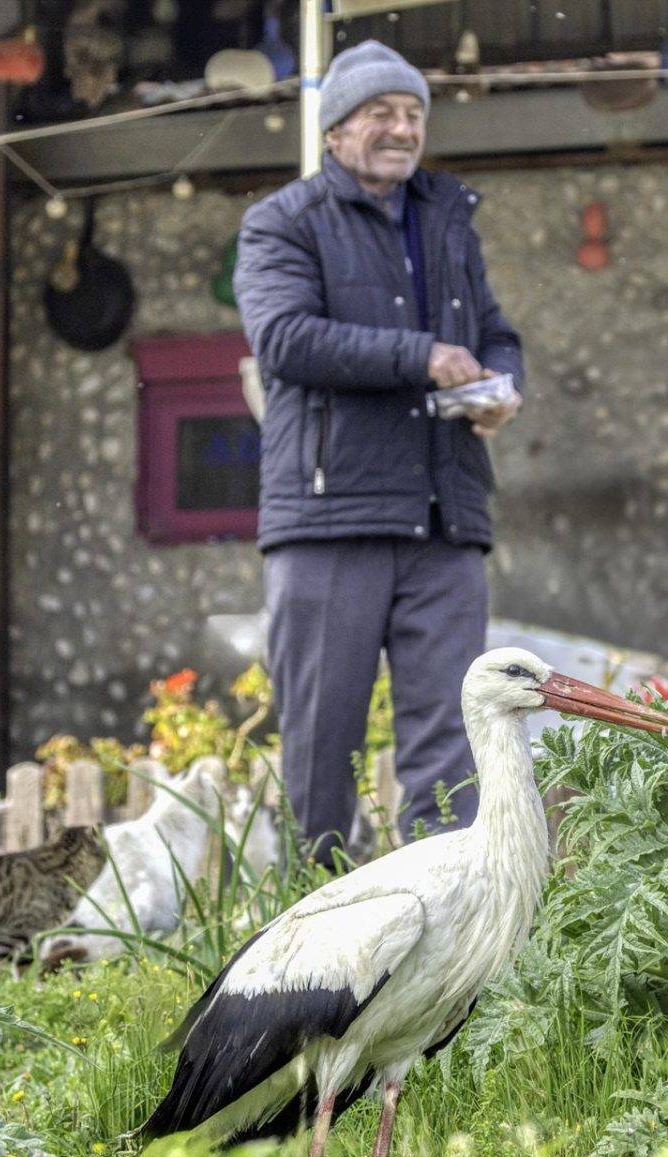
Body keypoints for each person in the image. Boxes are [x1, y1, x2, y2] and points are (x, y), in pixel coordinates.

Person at [234, 39, 524, 865]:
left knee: (453, 745)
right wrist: (423, 357)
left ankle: (453, 935)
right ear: (333, 132)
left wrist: (503, 382)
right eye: (379, 114)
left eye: (412, 114)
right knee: (323, 749)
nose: (401, 129)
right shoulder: (281, 222)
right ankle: (308, 944)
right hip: (331, 518)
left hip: (446, 516)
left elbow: (495, 333)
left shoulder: (448, 221)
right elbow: (285, 339)